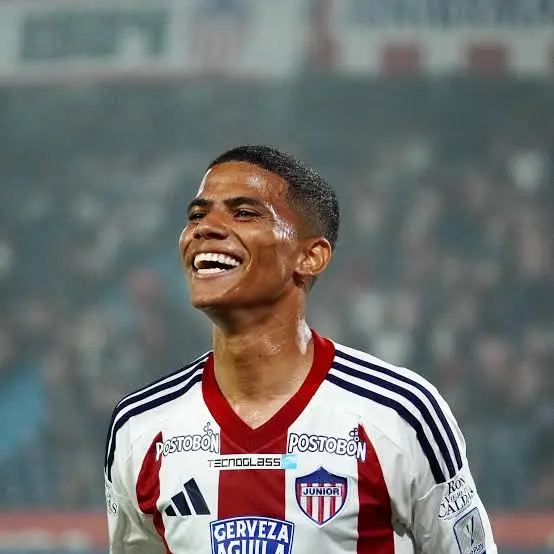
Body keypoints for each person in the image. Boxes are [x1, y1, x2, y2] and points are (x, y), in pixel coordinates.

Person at [104, 145, 497, 554]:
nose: (205, 228)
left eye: (244, 213)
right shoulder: (140, 426)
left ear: (311, 256)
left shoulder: (400, 414)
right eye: (197, 215)